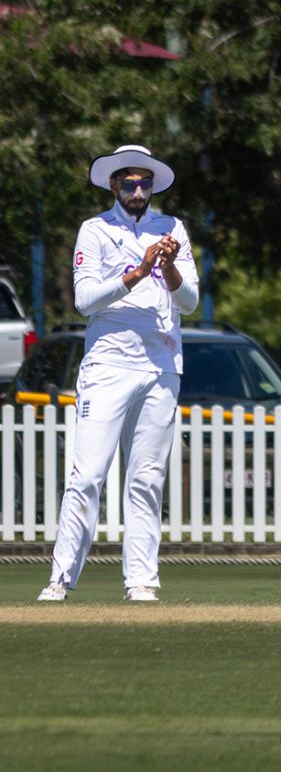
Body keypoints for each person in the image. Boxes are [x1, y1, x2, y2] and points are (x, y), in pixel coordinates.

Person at [37, 145, 200, 603]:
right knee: (87, 475)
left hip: (161, 363)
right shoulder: (94, 229)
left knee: (147, 479)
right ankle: (61, 578)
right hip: (108, 362)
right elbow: (85, 301)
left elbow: (188, 302)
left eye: (144, 182)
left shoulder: (173, 229)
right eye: (128, 182)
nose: (137, 190)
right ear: (114, 185)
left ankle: (141, 581)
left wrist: (166, 268)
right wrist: (139, 270)